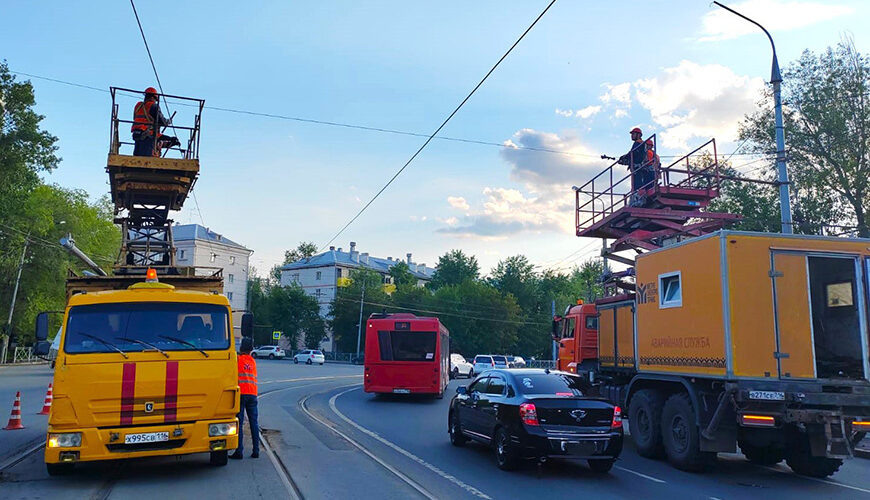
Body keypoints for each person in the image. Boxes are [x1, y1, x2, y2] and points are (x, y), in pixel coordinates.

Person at [231, 337, 259, 459]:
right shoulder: (253, 361)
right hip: (253, 394)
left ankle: (239, 451)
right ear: (251, 350)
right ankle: (256, 450)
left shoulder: (237, 359)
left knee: (240, 423)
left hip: (241, 394)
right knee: (254, 423)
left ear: (241, 348)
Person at [131, 87, 180, 157]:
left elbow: (135, 117)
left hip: (136, 134)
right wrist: (168, 122)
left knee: (137, 157)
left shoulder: (138, 105)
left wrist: (170, 139)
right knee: (146, 160)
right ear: (153, 97)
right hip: (146, 135)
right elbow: (162, 121)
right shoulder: (153, 106)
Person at [617, 127, 648, 192]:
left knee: (637, 185)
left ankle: (637, 194)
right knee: (639, 183)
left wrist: (624, 157)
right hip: (640, 166)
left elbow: (633, 153)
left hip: (637, 167)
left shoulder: (638, 143)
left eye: (633, 134)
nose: (632, 136)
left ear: (638, 135)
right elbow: (635, 155)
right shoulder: (643, 143)